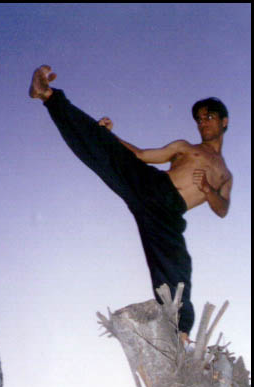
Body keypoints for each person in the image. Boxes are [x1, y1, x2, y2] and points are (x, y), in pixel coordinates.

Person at [29, 65, 232, 343]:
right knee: (105, 150)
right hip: (153, 185)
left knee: (176, 267)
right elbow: (141, 154)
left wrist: (209, 190)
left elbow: (222, 209)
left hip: (170, 215)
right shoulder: (186, 147)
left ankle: (179, 334)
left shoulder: (224, 174)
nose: (203, 122)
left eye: (209, 117)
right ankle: (48, 95)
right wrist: (110, 137)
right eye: (199, 119)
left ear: (224, 122)